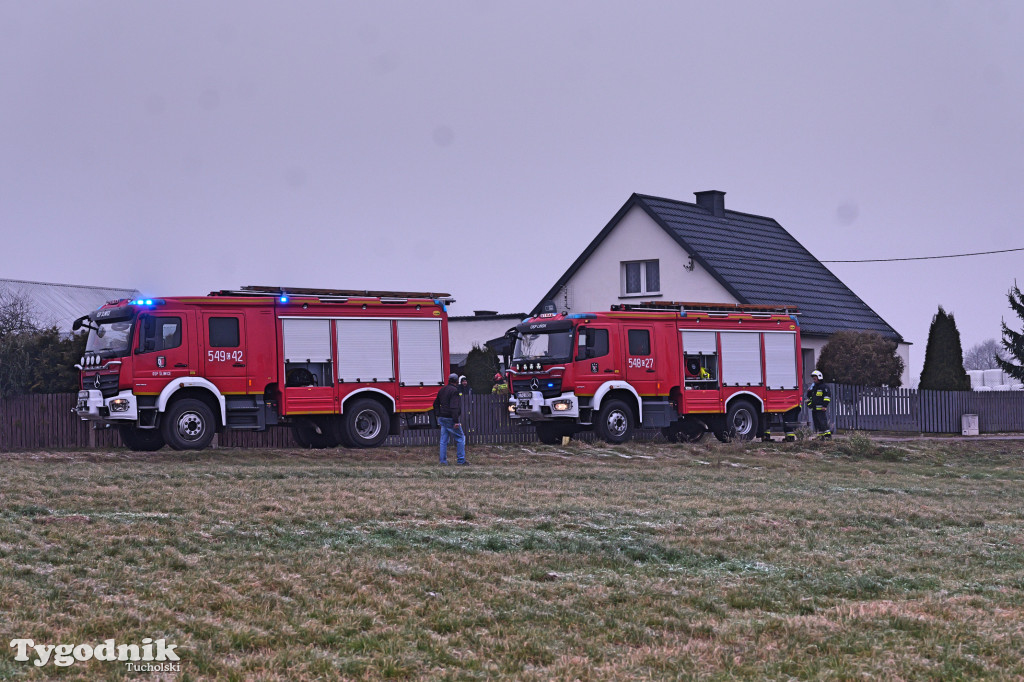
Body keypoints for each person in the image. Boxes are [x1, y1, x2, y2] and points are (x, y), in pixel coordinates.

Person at [433, 373, 467, 464]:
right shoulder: (454, 391)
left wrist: (438, 414)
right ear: (456, 381)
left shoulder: (442, 390)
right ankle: (461, 460)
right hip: (450, 418)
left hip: (442, 418)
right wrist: (456, 421)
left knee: (443, 441)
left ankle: (443, 461)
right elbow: (454, 407)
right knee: (461, 438)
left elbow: (435, 404)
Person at [806, 369, 832, 439]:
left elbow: (827, 397)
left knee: (822, 422)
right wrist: (809, 391)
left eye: (815, 377)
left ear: (819, 377)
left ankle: (827, 436)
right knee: (817, 423)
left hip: (821, 408)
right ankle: (820, 436)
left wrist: (824, 406)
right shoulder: (814, 387)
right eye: (813, 378)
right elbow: (810, 396)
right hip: (814, 408)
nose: (814, 379)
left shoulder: (824, 387)